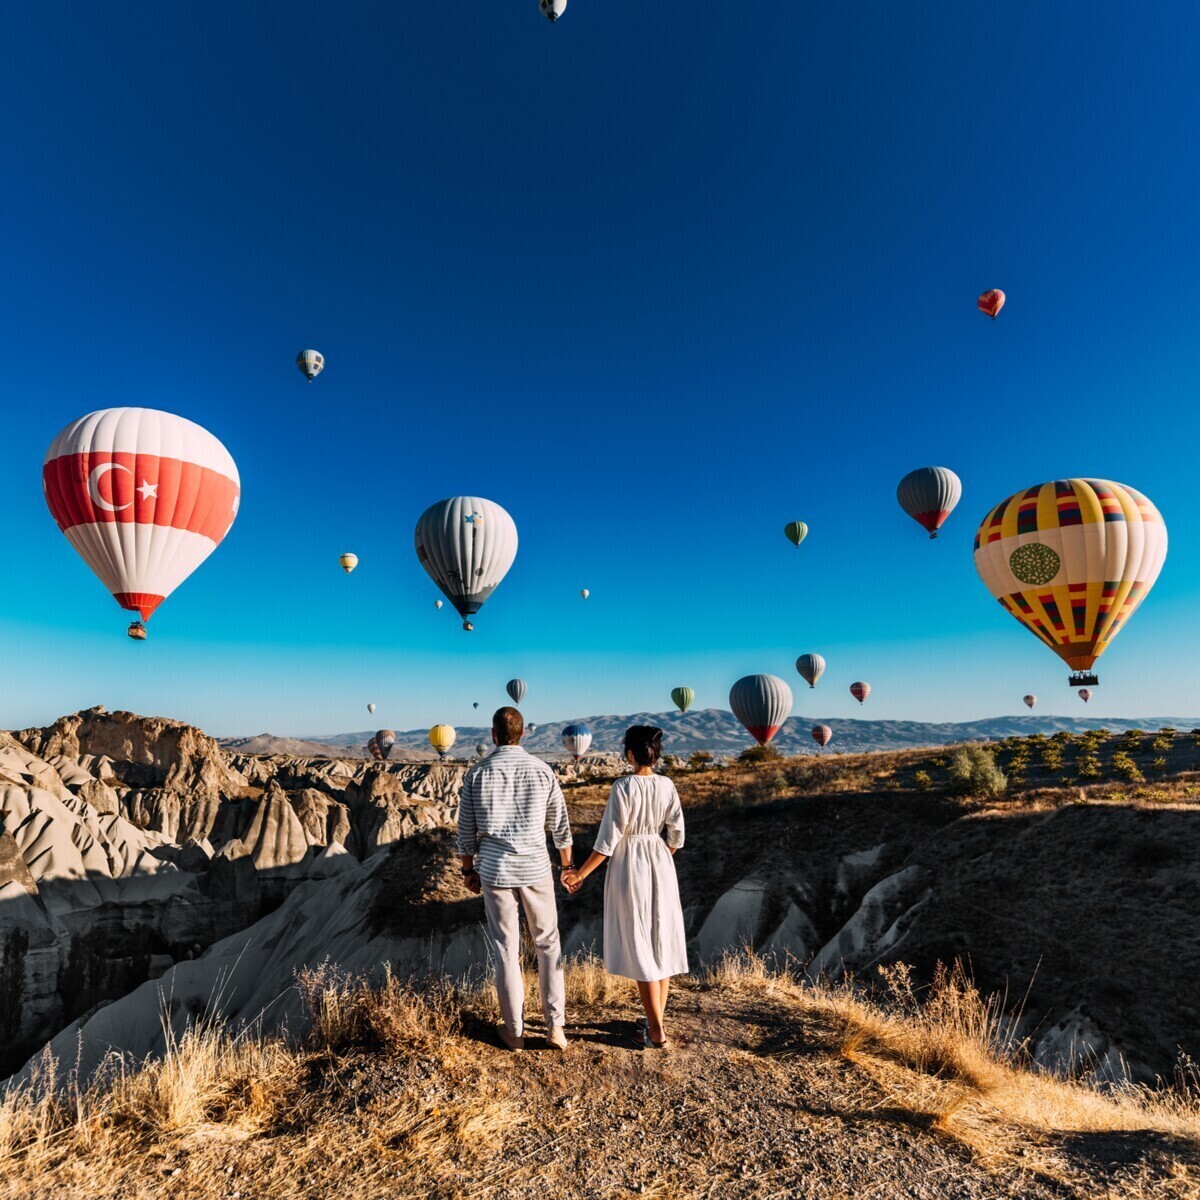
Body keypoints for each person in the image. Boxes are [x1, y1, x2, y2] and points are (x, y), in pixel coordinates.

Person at [563, 726, 687, 1049]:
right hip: (661, 862)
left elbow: (607, 842)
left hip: (630, 865)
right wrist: (659, 854)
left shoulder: (622, 787)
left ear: (630, 754)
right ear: (655, 754)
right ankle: (655, 1017)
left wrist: (579, 875)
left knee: (640, 944)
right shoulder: (668, 785)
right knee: (660, 941)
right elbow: (676, 835)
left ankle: (656, 1032)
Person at [458, 706, 574, 1051]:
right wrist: (567, 867)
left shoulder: (476, 774)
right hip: (536, 867)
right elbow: (560, 826)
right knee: (548, 945)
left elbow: (465, 832)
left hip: (495, 871)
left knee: (506, 951)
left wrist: (468, 870)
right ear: (523, 734)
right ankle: (555, 1028)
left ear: (493, 735)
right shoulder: (542, 771)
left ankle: (515, 1032)